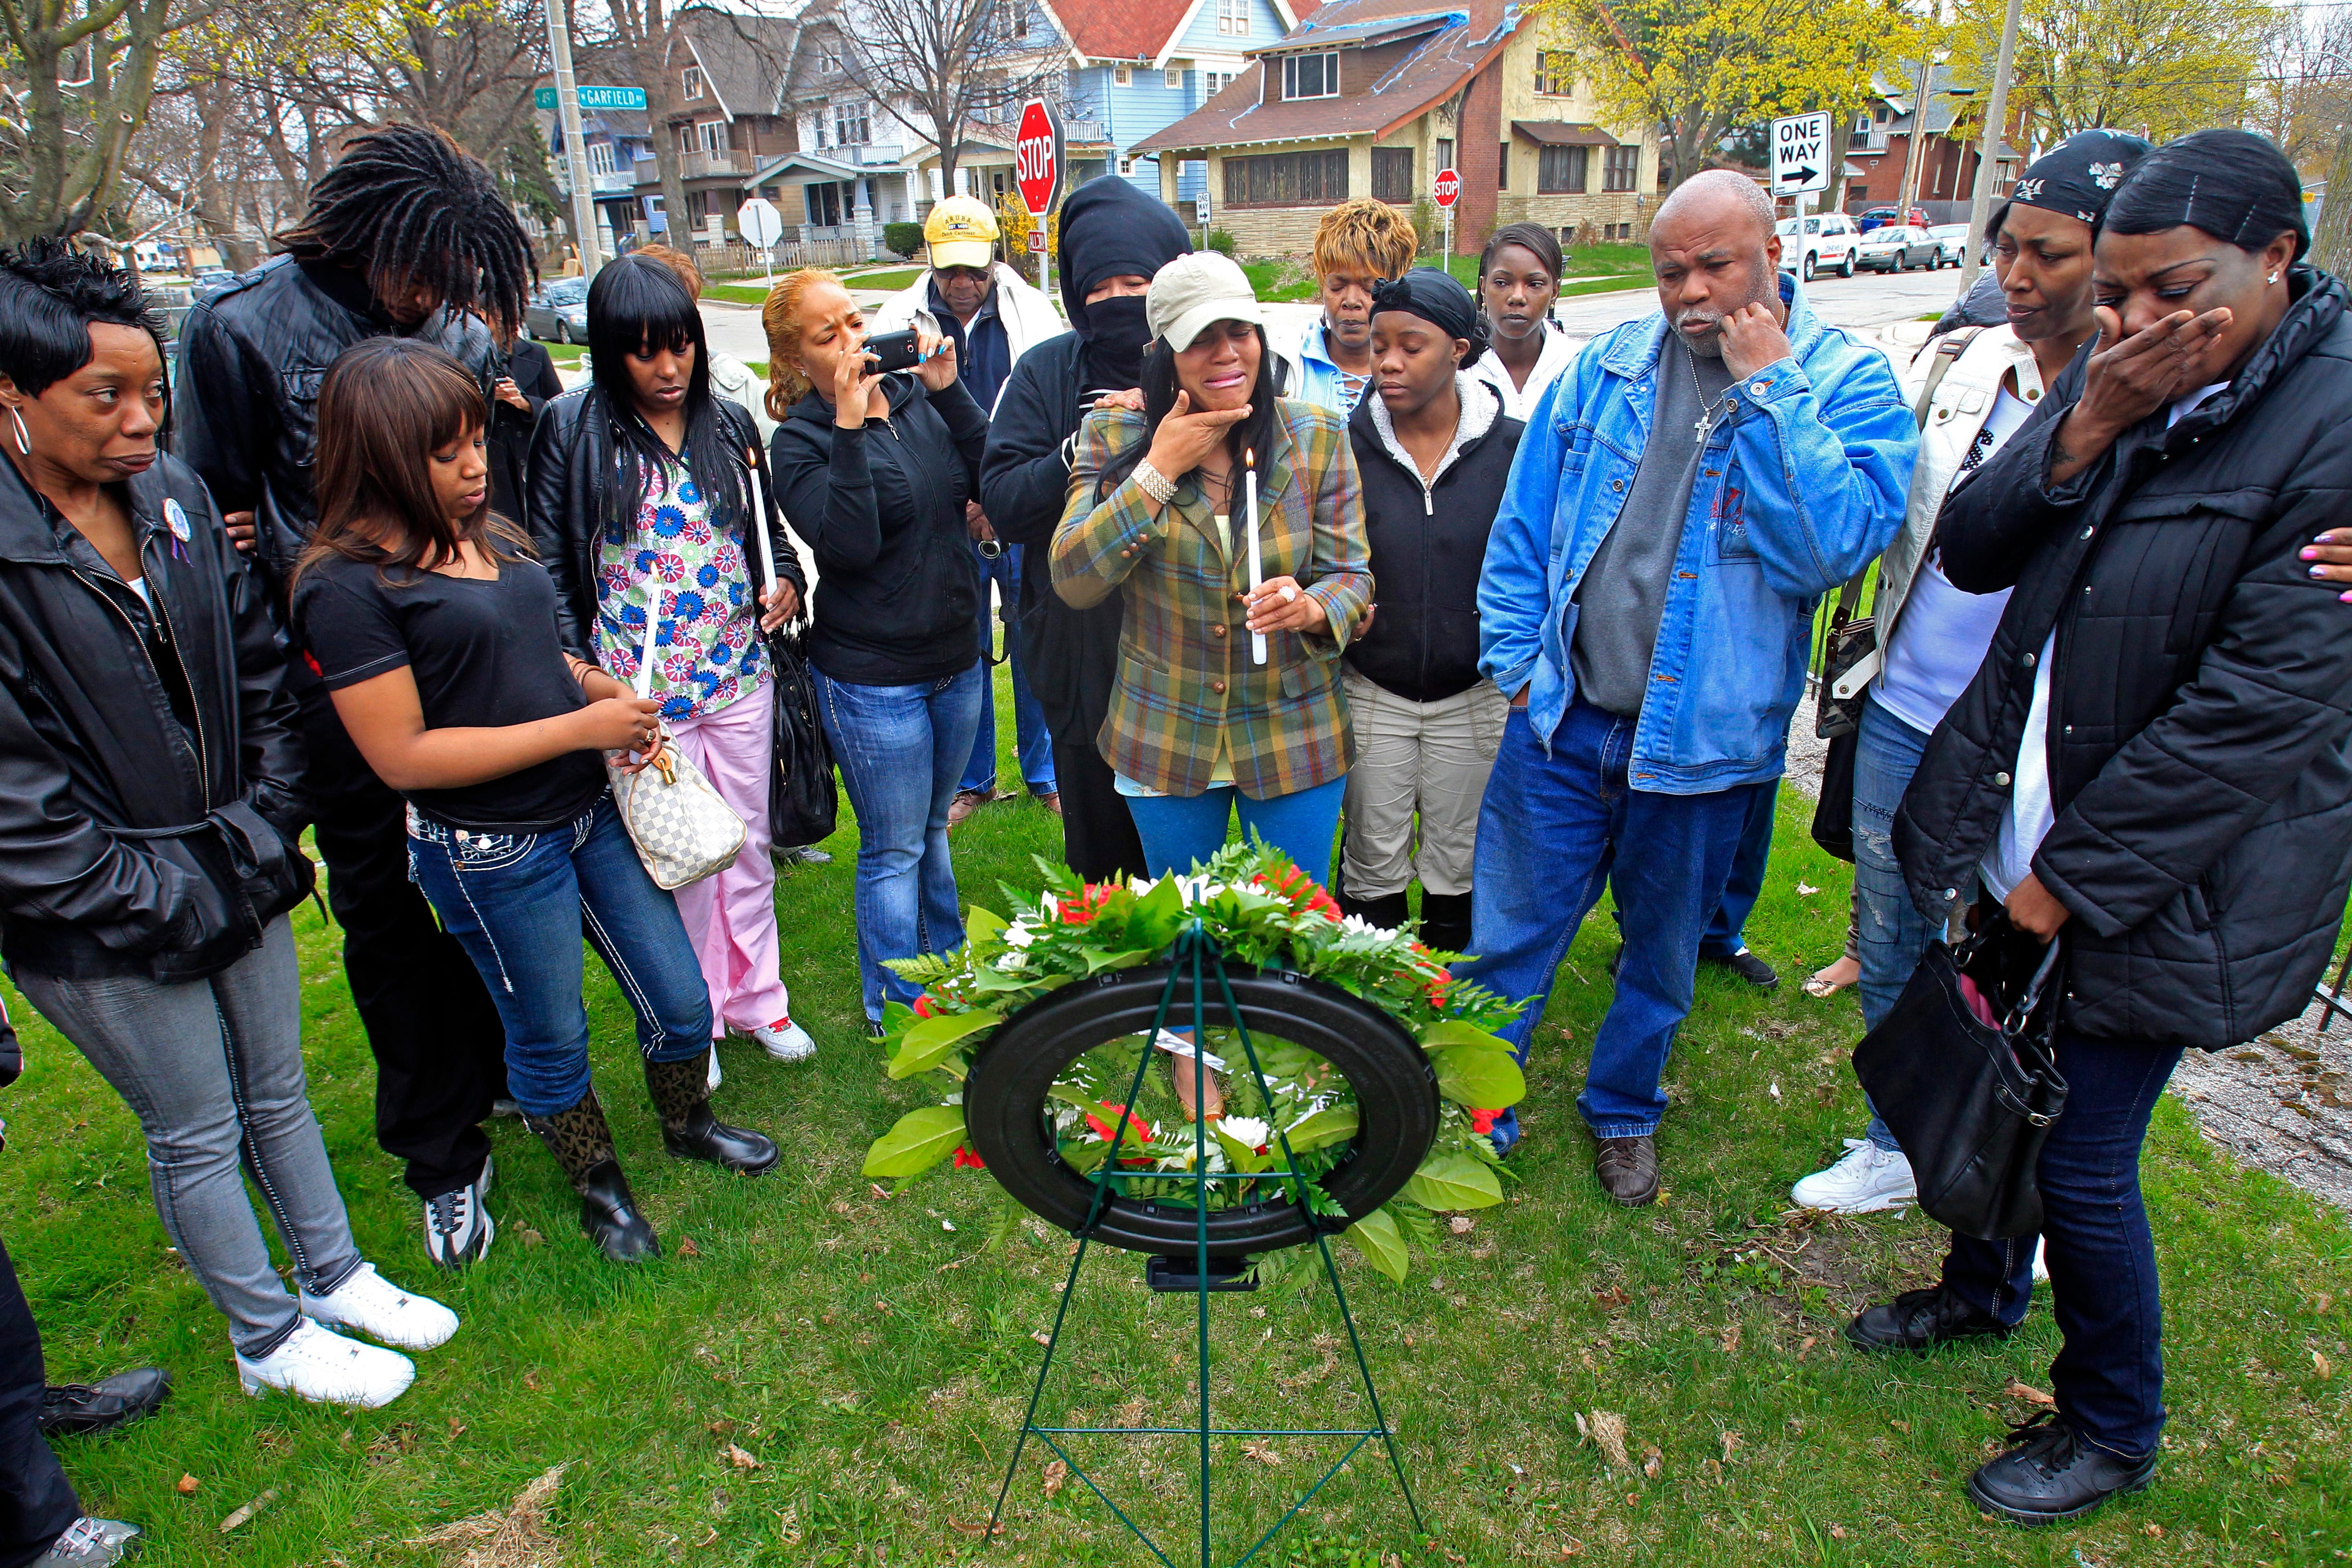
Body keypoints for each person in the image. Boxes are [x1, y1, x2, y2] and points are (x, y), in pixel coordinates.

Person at [1852, 128, 2352, 1528]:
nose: (2133, 320)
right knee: (1976, 1066)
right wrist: (2085, 422)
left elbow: (2251, 718)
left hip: (2159, 879)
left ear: (2276, 260)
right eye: (2117, 290)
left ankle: (2113, 1419)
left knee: (2079, 1144)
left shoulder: (2328, 428)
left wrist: (2062, 887)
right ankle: (1978, 1286)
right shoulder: (2126, 375)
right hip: (2021, 825)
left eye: (2170, 287)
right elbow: (1977, 543)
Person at [0, 241, 455, 1411]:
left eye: (152, 392)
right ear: (14, 395)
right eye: (106, 398)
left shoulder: (179, 500)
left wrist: (259, 832)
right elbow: (19, 803)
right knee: (195, 1127)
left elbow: (260, 672)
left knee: (279, 1091)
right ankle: (266, 1337)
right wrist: (165, 894)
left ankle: (334, 1273)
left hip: (234, 859)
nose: (145, 421)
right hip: (97, 916)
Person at [1463, 170, 1914, 1192]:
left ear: (1773, 254)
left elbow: (1832, 550)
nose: (1691, 291)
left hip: (1706, 743)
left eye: (1717, 264)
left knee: (1662, 956)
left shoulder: (1847, 383)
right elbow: (1523, 528)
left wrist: (1770, 388)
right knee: (1510, 935)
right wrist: (1518, 672)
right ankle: (1479, 1101)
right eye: (1672, 270)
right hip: (1566, 719)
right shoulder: (1614, 365)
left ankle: (1624, 1110)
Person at [293, 339, 781, 1265]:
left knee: (679, 1000)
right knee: (551, 1036)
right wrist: (574, 732)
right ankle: (598, 1185)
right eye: (447, 453)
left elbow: (529, 654)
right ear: (379, 456)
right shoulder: (344, 587)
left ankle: (688, 1123)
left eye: (477, 441)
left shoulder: (487, 536)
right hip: (490, 850)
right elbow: (401, 752)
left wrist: (597, 689)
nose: (477, 466)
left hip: (587, 812)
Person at [174, 122, 534, 1268]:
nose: (435, 295)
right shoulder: (238, 329)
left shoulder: (460, 330)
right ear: (365, 235)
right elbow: (216, 520)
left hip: (464, 662)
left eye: (456, 278)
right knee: (382, 913)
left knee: (494, 884)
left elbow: (489, 507)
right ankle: (440, 1146)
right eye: (421, 268)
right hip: (334, 677)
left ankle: (508, 1068)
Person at [1789, 131, 2152, 1216]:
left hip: (2044, 740)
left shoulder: (2155, 403)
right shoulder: (1965, 368)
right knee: (1894, 931)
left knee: (2025, 959)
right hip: (1909, 706)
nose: (2017, 274)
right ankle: (1897, 1141)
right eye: (2007, 248)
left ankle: (2027, 1173)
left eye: (2050, 252)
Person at [526, 254, 815, 1076]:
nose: (667, 367)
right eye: (644, 350)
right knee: (682, 857)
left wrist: (785, 581)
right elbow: (548, 562)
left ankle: (761, 998)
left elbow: (771, 535)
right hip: (639, 696)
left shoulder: (728, 422)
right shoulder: (571, 425)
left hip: (738, 676)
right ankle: (700, 1015)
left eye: (680, 346)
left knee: (750, 844)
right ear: (612, 351)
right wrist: (584, 676)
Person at [1054, 252, 1372, 876]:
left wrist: (1312, 607)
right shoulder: (1115, 434)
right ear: (1163, 352)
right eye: (1200, 339)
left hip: (1293, 725)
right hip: (1166, 732)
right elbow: (1075, 577)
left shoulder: (1316, 436)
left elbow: (1351, 577)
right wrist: (1160, 468)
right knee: (1190, 935)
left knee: (1288, 940)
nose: (1226, 354)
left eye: (1239, 332)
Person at [763, 271, 987, 1033]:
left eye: (855, 320)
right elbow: (849, 546)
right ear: (796, 362)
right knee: (892, 848)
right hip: (872, 679)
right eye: (829, 335)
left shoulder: (919, 400)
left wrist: (950, 389)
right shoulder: (798, 442)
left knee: (930, 830)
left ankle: (948, 971)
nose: (854, 339)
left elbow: (994, 473)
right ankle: (897, 1003)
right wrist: (851, 427)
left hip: (955, 659)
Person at [979, 176, 1192, 882]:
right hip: (1081, 656)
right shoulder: (1044, 372)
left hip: (1191, 656)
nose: (1117, 303)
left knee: (1190, 864)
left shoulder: (1208, 360)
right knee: (1104, 867)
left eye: (1138, 283)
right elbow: (1004, 500)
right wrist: (1085, 445)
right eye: (1098, 290)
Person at [1334, 269, 1521, 955]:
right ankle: (1371, 1003)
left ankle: (1452, 998)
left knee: (1460, 860)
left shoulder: (1513, 449)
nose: (1387, 360)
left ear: (1460, 350)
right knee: (1371, 854)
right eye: (1379, 344)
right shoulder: (1343, 449)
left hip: (1475, 694)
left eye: (1411, 346)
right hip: (1371, 690)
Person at [873, 196, 1064, 828]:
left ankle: (1044, 772)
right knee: (966, 646)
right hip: (943, 507)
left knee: (1034, 634)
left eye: (974, 271)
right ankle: (975, 778)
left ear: (994, 262)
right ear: (930, 261)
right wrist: (964, 497)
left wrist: (999, 495)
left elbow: (1044, 412)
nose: (962, 283)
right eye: (950, 270)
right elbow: (887, 418)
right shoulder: (898, 318)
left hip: (1015, 499)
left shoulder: (1031, 313)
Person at [1281, 199, 1417, 415]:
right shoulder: (1282, 364)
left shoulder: (1419, 368)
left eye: (1368, 287)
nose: (1351, 301)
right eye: (1337, 286)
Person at [1470, 222, 1577, 421]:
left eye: (1535, 284)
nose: (1517, 297)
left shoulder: (1578, 365)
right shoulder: (1457, 367)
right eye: (1502, 283)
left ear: (1555, 291)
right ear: (1483, 286)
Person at [485, 329, 563, 527]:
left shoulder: (536, 353)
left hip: (530, 456)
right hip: (494, 462)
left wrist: (523, 402)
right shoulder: (471, 355)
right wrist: (486, 396)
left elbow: (559, 408)